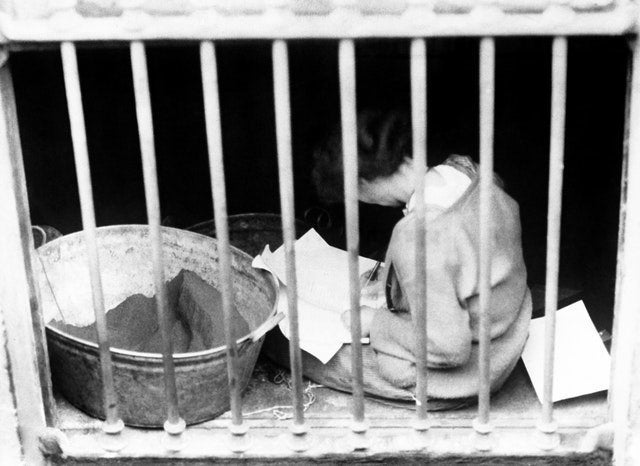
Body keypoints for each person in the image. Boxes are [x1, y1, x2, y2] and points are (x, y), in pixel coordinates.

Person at [311, 109, 532, 400]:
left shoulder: (417, 236)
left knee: (308, 354)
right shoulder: (469, 171)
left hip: (474, 371)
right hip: (511, 327)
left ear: (361, 185)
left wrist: (373, 322)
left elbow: (448, 347)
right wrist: (395, 283)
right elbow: (462, 258)